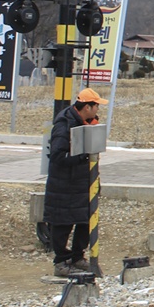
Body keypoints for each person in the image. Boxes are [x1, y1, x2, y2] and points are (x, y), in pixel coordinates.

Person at [44, 88, 105, 277]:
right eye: (96, 106)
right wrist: (81, 157)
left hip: (80, 183)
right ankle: (61, 261)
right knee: (62, 223)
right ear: (87, 106)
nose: (98, 110)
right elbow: (57, 155)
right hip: (64, 184)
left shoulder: (82, 122)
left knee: (85, 220)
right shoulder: (64, 124)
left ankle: (78, 257)